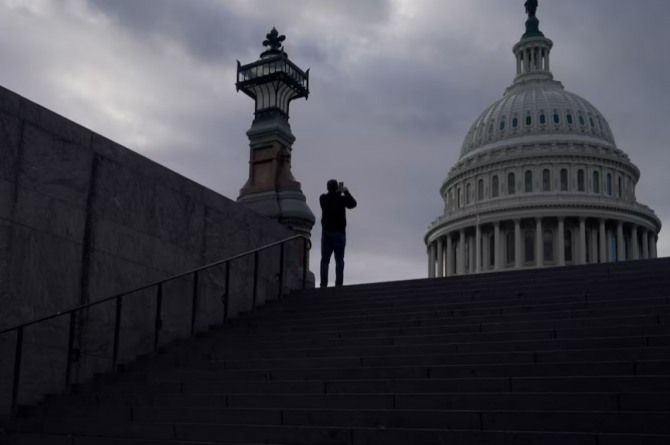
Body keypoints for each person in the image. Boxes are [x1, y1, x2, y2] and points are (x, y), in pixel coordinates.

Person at [320, 179, 357, 287]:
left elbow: (330, 198)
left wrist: (337, 193)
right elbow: (353, 204)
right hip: (339, 234)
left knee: (325, 260)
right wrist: (345, 191)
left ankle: (323, 284)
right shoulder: (341, 199)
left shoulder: (323, 198)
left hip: (327, 234)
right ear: (337, 188)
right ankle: (339, 284)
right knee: (339, 260)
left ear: (327, 188)